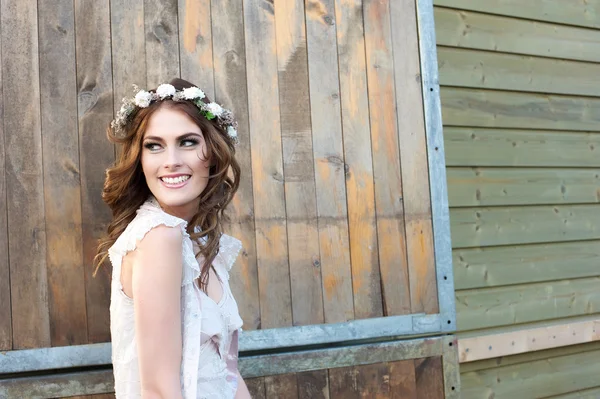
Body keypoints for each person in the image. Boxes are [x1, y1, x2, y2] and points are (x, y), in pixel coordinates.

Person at [94, 78, 252, 399]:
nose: (171, 161)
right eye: (154, 145)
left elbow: (227, 373)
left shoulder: (197, 240)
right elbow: (158, 390)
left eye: (188, 142)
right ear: (140, 159)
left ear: (214, 152)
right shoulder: (158, 238)